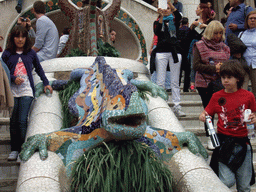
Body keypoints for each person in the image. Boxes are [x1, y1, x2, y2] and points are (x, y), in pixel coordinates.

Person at [199, 60, 256, 191]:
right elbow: (205, 113)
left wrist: (254, 119)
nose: (225, 80)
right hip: (224, 144)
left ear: (237, 78)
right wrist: (203, 116)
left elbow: (254, 115)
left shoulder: (248, 96)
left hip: (243, 144)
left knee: (244, 185)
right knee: (226, 181)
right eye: (223, 77)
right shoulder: (216, 96)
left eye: (229, 77)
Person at [1, 25, 53, 161]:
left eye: (23, 36)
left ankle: (24, 149)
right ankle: (14, 150)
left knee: (22, 120)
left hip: (26, 90)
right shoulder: (7, 53)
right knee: (13, 121)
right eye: (17, 36)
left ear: (26, 38)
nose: (20, 39)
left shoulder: (31, 53)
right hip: (11, 90)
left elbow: (39, 69)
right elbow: (3, 73)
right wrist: (13, 78)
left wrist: (46, 83)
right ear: (13, 38)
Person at [193, 20, 230, 150]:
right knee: (209, 111)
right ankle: (210, 137)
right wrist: (214, 68)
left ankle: (223, 135)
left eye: (220, 33)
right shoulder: (199, 45)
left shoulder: (224, 47)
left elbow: (229, 63)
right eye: (216, 33)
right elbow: (196, 65)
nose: (218, 36)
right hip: (205, 83)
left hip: (221, 82)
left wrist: (223, 68)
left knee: (223, 110)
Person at [153, 1, 185, 117]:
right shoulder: (158, 21)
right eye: (164, 8)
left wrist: (170, 5)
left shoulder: (174, 21)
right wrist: (161, 16)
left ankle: (177, 105)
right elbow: (157, 32)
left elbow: (180, 16)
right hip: (161, 51)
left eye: (168, 9)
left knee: (175, 81)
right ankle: (163, 105)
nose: (166, 10)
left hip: (174, 51)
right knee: (160, 81)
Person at [186, 3, 212, 92]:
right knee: (193, 65)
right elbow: (189, 36)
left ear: (202, 10)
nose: (195, 10)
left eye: (197, 8)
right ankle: (192, 84)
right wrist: (192, 26)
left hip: (207, 45)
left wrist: (204, 26)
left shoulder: (209, 21)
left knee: (206, 64)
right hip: (195, 45)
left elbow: (214, 30)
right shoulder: (196, 21)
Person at [240, 10, 256, 99]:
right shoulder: (242, 34)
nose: (252, 20)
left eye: (255, 18)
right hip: (244, 65)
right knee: (242, 90)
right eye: (250, 18)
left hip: (255, 65)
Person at [177, 17, 190, 92]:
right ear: (187, 23)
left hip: (179, 52)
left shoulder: (178, 30)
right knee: (187, 71)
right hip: (187, 52)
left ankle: (177, 86)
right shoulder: (188, 30)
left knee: (179, 71)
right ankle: (186, 88)